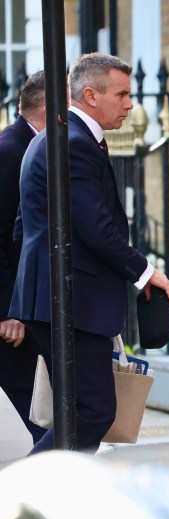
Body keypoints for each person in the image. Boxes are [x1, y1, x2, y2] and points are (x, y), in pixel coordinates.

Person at [9, 53, 169, 454]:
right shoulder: (72, 143)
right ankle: (26, 491)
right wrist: (145, 272)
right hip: (68, 300)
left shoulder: (63, 138)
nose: (130, 104)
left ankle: (52, 497)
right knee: (94, 409)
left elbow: (23, 227)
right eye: (121, 94)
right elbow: (96, 227)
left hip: (62, 297)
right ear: (90, 95)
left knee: (80, 410)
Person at [0, 71, 46, 444]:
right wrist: (10, 310)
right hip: (16, 314)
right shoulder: (8, 149)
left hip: (34, 304)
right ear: (49, 109)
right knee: (29, 413)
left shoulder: (43, 146)